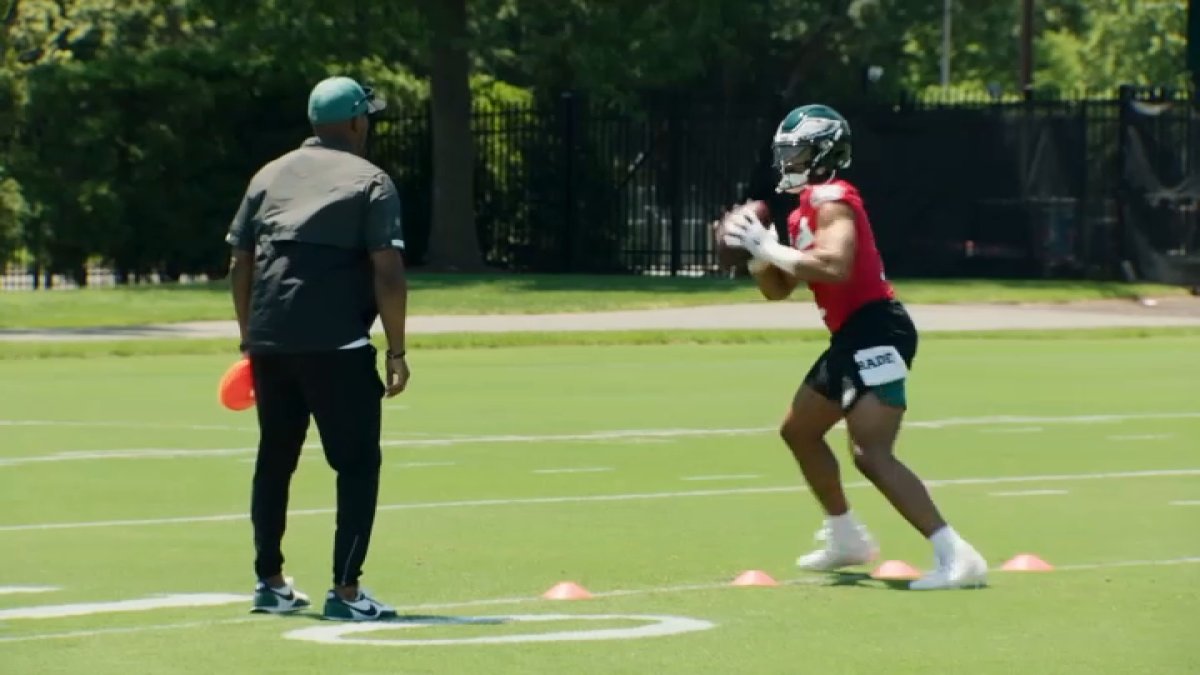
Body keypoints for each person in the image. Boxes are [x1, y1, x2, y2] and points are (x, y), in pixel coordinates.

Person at [718, 104, 987, 590]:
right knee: (799, 431)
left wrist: (770, 248)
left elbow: (835, 264)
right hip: (851, 334)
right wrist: (757, 258)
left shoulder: (832, 198)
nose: (788, 161)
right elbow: (779, 289)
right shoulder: (804, 208)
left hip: (879, 330)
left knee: (870, 450)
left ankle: (955, 554)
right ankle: (846, 537)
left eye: (796, 151)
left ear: (823, 153)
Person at [226, 75, 411, 619]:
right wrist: (396, 350)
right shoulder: (371, 181)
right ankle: (347, 593)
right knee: (356, 464)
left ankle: (270, 583)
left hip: (269, 340)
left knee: (274, 459)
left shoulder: (269, 173)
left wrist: (249, 340)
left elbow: (241, 262)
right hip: (338, 342)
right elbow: (388, 269)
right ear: (356, 122)